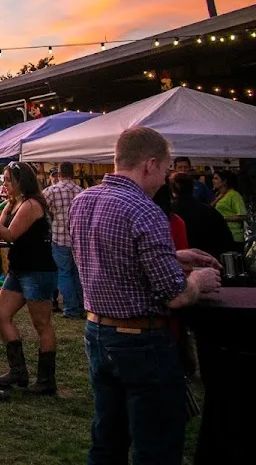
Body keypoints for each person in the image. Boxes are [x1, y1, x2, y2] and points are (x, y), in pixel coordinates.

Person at [69, 127, 222, 463]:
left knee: (107, 439)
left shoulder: (84, 201)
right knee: (156, 447)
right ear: (150, 164)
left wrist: (175, 256)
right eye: (166, 170)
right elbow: (176, 296)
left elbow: (109, 254)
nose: (165, 179)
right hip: (142, 340)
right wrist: (198, 278)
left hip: (98, 332)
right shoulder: (144, 209)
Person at [0, 162, 58, 393]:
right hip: (19, 269)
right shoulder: (15, 204)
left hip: (37, 269)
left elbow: (10, 235)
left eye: (8, 181)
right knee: (1, 313)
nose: (4, 185)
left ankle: (46, 381)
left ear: (20, 181)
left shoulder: (31, 205)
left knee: (41, 324)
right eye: (3, 181)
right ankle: (18, 371)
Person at [43, 162, 84, 319]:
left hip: (59, 236)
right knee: (76, 273)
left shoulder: (51, 191)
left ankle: (71, 308)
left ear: (58, 174)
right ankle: (81, 304)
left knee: (63, 273)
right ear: (73, 174)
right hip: (77, 238)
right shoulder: (81, 192)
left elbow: (42, 210)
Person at [170, 173, 236, 259]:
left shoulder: (169, 213)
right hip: (208, 258)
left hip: (182, 260)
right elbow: (226, 239)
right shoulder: (209, 211)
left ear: (173, 190)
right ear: (193, 187)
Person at [211, 170, 247, 244]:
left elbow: (243, 216)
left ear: (224, 181)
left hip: (233, 235)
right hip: (221, 234)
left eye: (216, 178)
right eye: (213, 178)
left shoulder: (234, 195)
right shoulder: (217, 195)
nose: (213, 181)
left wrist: (223, 218)